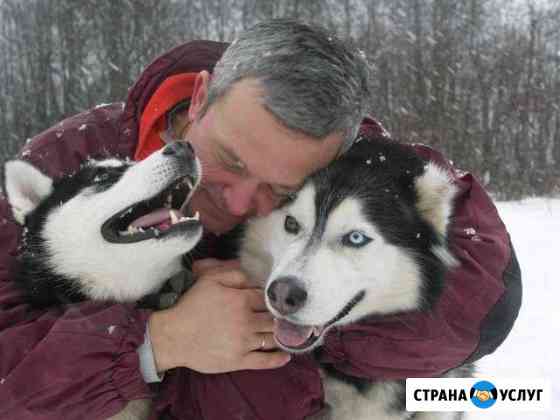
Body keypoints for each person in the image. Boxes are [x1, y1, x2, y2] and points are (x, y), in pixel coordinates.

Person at [0, 20, 521, 420]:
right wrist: (158, 342)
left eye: (282, 189)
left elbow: (480, 311)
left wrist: (291, 316)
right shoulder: (74, 161)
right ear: (200, 98)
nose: (241, 203)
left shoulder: (363, 171)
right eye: (230, 161)